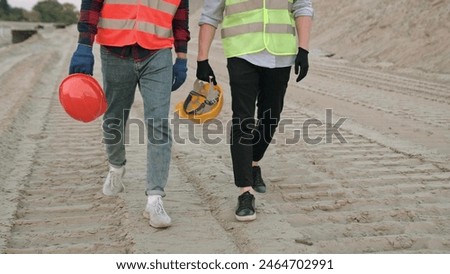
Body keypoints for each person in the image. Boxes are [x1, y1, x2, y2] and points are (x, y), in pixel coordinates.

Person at [68, 0, 190, 228]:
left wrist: (181, 58)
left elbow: (181, 18)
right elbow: (91, 6)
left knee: (158, 123)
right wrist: (84, 46)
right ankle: (116, 167)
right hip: (115, 51)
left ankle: (155, 198)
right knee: (114, 117)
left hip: (158, 53)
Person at [196, 0, 313, 221]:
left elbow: (303, 7)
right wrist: (202, 59)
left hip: (280, 53)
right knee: (243, 120)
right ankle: (245, 191)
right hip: (241, 52)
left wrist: (304, 49)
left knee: (271, 117)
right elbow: (210, 15)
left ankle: (253, 162)